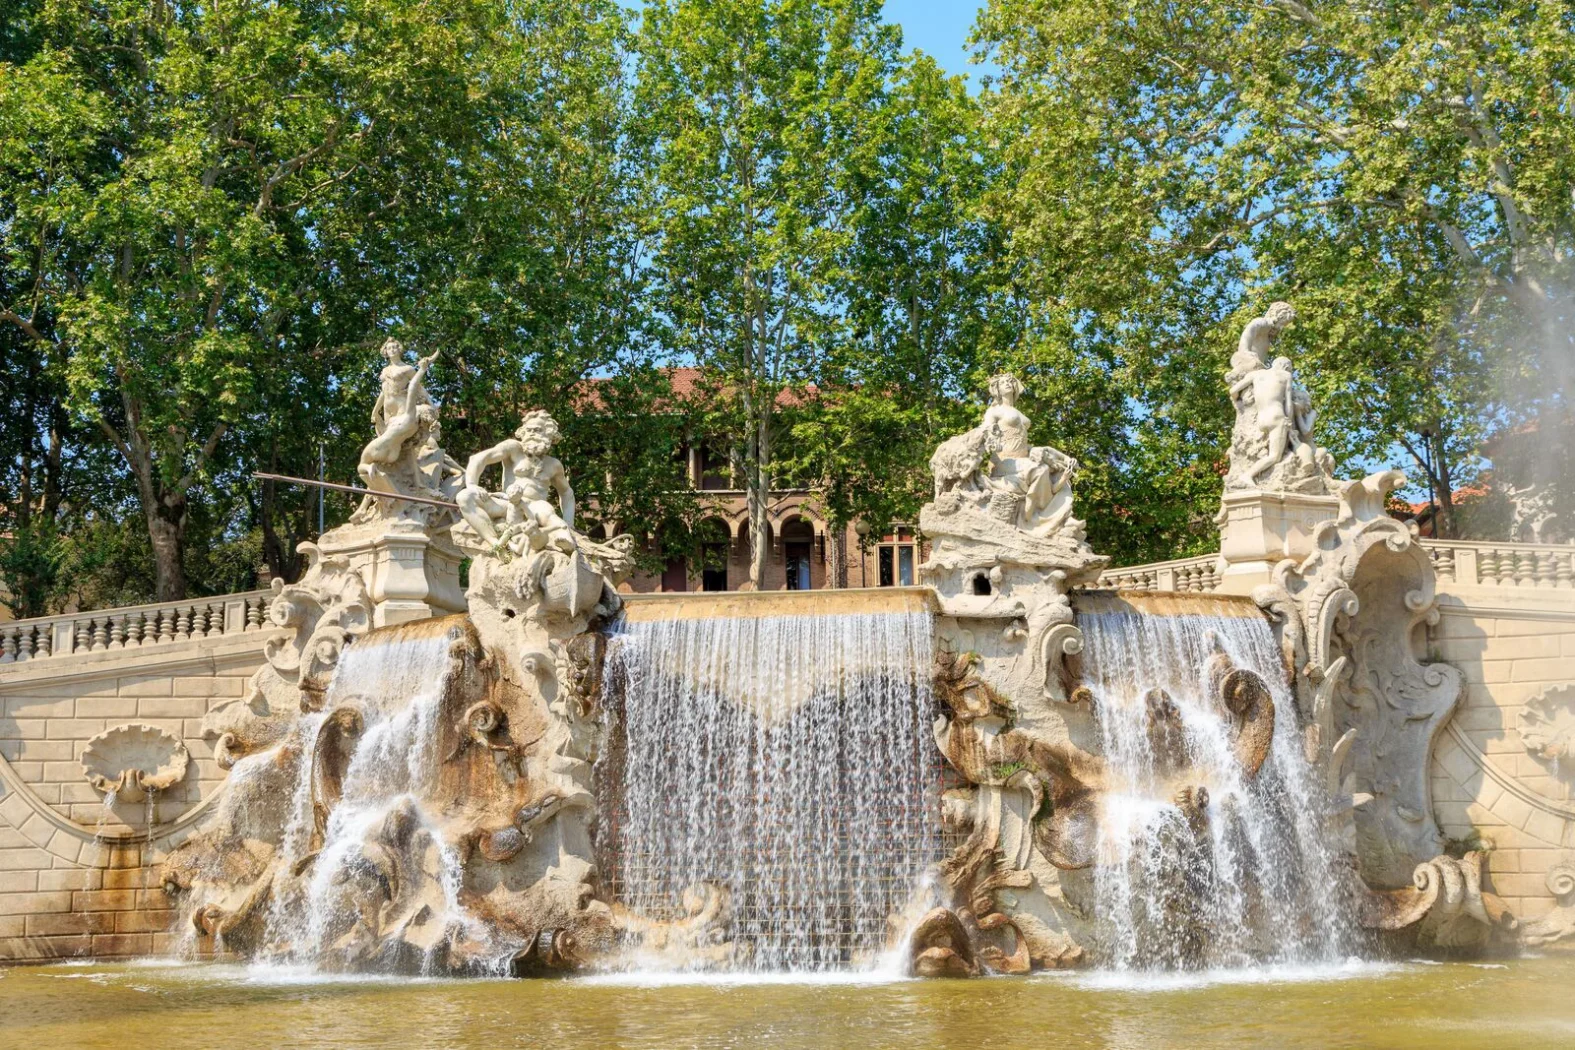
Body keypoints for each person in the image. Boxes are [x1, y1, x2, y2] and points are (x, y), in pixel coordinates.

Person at [457, 410, 577, 555]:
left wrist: (569, 523)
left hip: (534, 506)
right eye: (528, 430)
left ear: (549, 434)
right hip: (505, 502)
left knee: (549, 514)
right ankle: (495, 544)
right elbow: (479, 459)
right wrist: (472, 485)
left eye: (537, 430)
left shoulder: (553, 465)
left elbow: (566, 493)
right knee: (464, 496)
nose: (532, 433)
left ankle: (564, 538)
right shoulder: (513, 448)